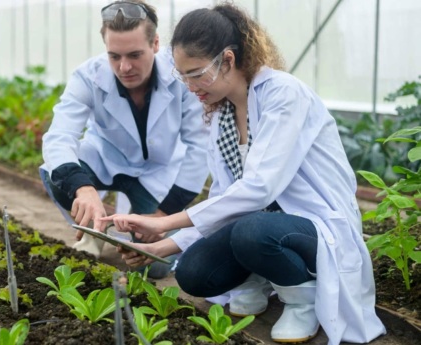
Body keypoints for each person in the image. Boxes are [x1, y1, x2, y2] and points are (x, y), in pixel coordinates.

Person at [104, 2, 386, 344]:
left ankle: (302, 299)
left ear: (228, 59)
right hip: (261, 227)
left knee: (251, 230)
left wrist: (165, 221)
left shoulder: (282, 94)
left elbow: (259, 189)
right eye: (183, 76)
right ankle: (262, 277)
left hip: (312, 225)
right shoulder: (221, 115)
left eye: (196, 74)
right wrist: (161, 247)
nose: (191, 86)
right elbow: (225, 200)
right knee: (194, 273)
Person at [40, 0, 209, 279]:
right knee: (57, 174)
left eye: (134, 54)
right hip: (104, 160)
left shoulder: (181, 74)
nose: (124, 67)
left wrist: (163, 214)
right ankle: (94, 229)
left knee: (154, 265)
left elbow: (200, 146)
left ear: (155, 43)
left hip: (157, 174)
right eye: (114, 56)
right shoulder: (88, 76)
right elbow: (60, 136)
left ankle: (130, 225)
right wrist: (83, 189)